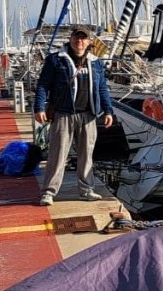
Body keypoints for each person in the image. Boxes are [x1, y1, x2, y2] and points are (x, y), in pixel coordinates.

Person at [33, 28, 114, 205]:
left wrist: (108, 111)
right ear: (70, 39)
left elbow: (102, 88)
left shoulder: (96, 62)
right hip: (63, 114)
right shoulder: (56, 60)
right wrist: (39, 107)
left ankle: (86, 189)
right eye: (77, 37)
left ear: (89, 42)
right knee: (58, 154)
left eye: (83, 38)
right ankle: (48, 192)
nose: (80, 41)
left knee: (86, 154)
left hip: (88, 114)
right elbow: (43, 85)